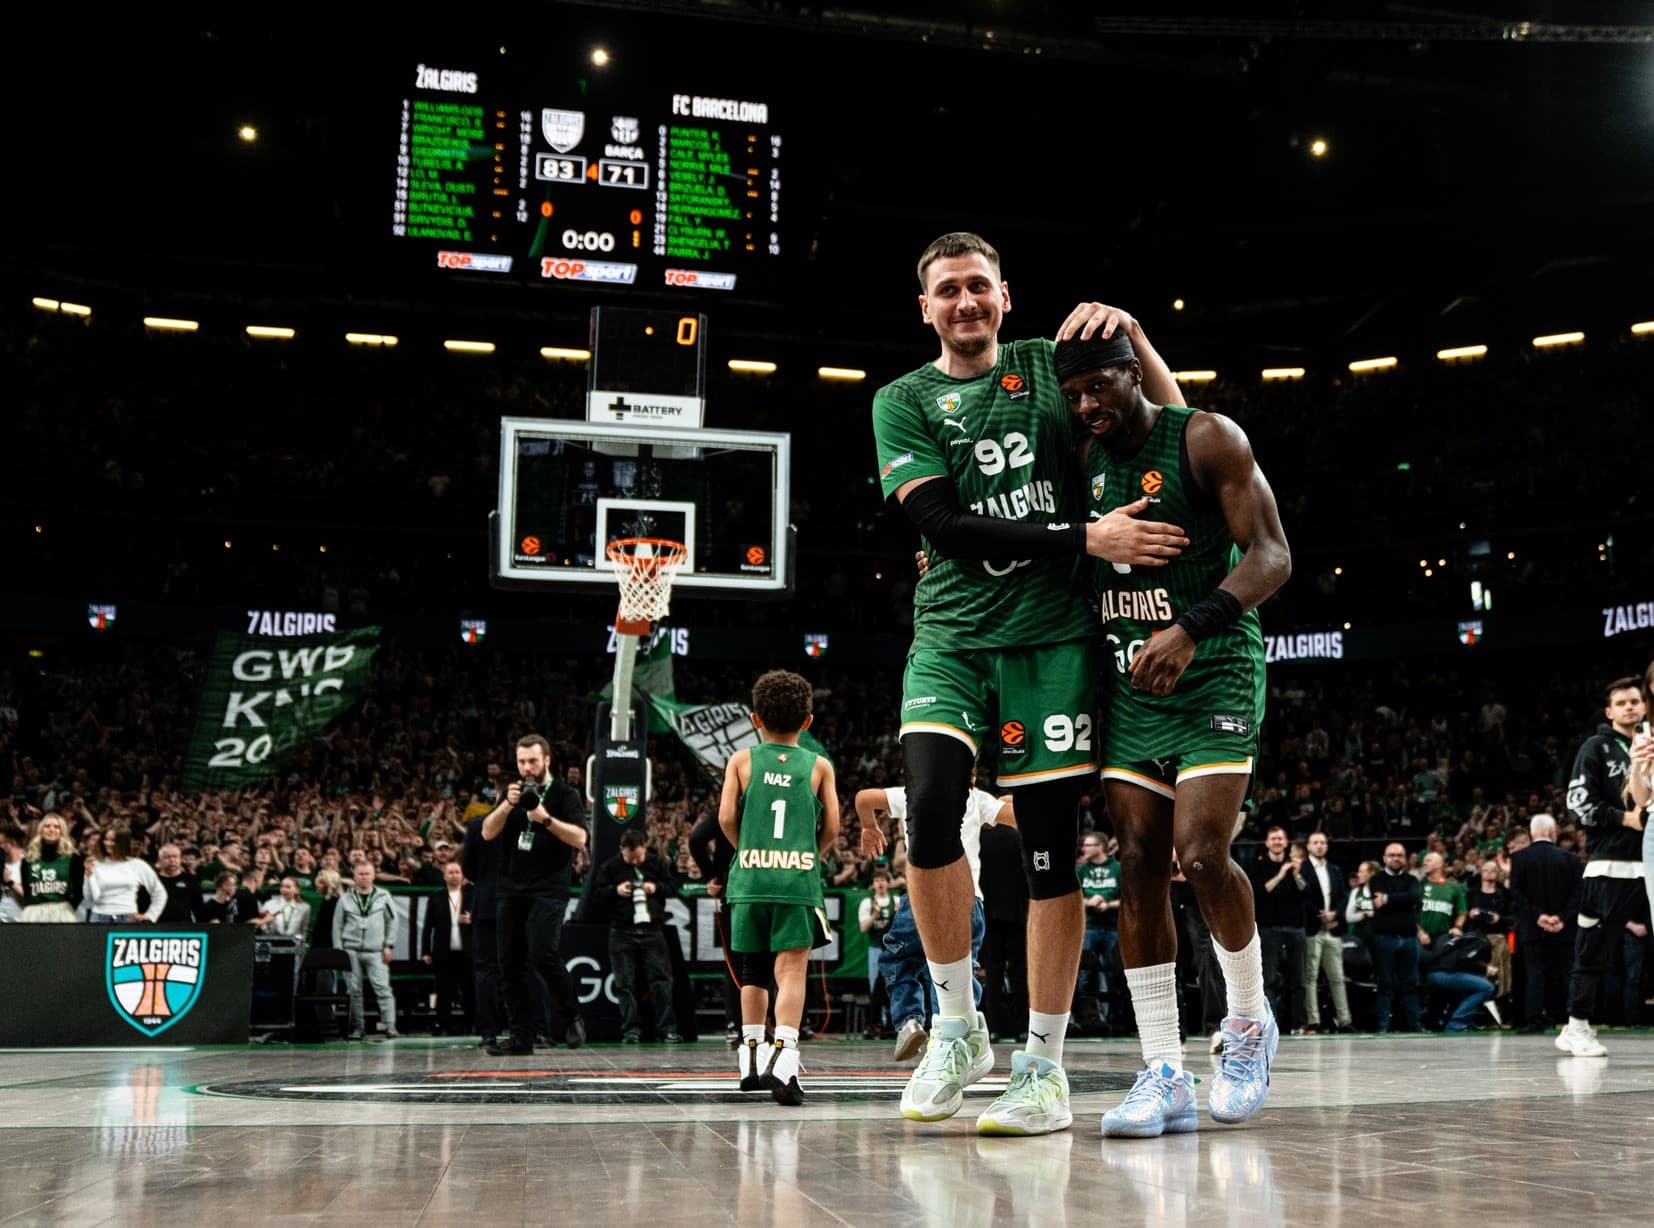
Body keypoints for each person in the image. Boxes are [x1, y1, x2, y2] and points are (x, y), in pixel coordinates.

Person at [870, 231, 1187, 1137]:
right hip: (952, 637)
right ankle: (956, 1028)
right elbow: (943, 523)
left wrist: (1136, 336)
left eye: (978, 286)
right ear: (925, 308)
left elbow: (1173, 429)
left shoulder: (1052, 365)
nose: (964, 301)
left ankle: (1042, 1067)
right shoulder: (902, 399)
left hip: (1053, 643)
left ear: (1005, 296)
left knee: (1048, 854)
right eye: (947, 290)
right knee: (931, 811)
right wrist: (1086, 539)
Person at [1048, 328, 1291, 1137]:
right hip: (1131, 682)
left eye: (1099, 387)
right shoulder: (1082, 457)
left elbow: (1272, 556)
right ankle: (1163, 1070)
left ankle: (1248, 1022)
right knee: (1138, 864)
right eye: (1074, 395)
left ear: (1134, 373)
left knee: (1201, 855)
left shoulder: (1207, 437)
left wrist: (1189, 628)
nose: (1087, 405)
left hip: (1212, 666)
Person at [719, 669, 840, 1105]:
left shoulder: (741, 760)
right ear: (807, 721)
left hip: (750, 877)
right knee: (790, 971)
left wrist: (748, 851)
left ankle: (750, 1055)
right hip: (796, 879)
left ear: (756, 719)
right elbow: (833, 826)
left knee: (752, 970)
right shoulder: (819, 765)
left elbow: (726, 818)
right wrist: (808, 856)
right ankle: (785, 1055)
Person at [856, 782, 1011, 1063]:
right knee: (958, 970)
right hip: (967, 898)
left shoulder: (911, 793)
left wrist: (869, 828)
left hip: (923, 898)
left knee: (898, 959)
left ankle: (908, 1021)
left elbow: (864, 798)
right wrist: (1012, 801)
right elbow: (1017, 817)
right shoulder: (977, 798)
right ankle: (953, 1034)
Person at [482, 734, 590, 1056]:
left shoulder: (565, 794)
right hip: (511, 886)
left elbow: (580, 838)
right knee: (509, 963)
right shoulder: (510, 792)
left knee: (542, 952)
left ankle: (571, 1016)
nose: (527, 767)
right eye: (521, 762)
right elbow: (487, 832)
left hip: (550, 886)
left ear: (547, 760)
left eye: (532, 761)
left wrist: (546, 819)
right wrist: (507, 804)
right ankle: (520, 1038)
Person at [1558, 677, 1648, 1057]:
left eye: (1635, 701)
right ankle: (1576, 1026)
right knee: (1594, 949)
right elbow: (1578, 803)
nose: (1630, 707)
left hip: (1651, 859)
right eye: (1622, 703)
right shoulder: (1596, 747)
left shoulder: (1650, 744)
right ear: (1610, 711)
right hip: (1612, 863)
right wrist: (1624, 818)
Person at [592, 828, 682, 1044]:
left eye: (638, 857)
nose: (634, 862)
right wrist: (615, 890)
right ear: (621, 850)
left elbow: (673, 887)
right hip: (621, 930)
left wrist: (655, 887)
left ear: (645, 847)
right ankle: (630, 1029)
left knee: (661, 981)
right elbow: (596, 895)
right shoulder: (610, 867)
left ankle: (667, 1029)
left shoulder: (658, 863)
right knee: (625, 983)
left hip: (652, 929)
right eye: (630, 858)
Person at [1416, 852, 1493, 1031]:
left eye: (1428, 861)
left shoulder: (1453, 887)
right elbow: (1410, 912)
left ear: (1439, 864)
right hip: (1421, 939)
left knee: (1443, 980)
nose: (1424, 863)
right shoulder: (1419, 886)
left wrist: (1457, 927)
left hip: (1443, 940)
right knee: (1424, 980)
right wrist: (1419, 932)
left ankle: (1439, 1019)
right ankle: (1422, 1020)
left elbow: (1462, 911)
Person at [1246, 826, 1306, 1036]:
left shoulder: (1296, 867)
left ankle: (1298, 1024)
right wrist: (1281, 875)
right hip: (1269, 929)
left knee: (1298, 980)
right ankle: (1271, 1023)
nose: (1278, 842)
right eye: (1274, 839)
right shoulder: (1257, 867)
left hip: (1295, 928)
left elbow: (1306, 892)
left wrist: (1296, 875)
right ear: (1267, 843)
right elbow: (1259, 892)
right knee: (1269, 979)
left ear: (1286, 842)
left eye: (1281, 839)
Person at [331, 860, 400, 1040]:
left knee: (383, 988)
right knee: (353, 990)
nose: (364, 877)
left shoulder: (384, 896)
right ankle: (358, 1027)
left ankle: (390, 1026)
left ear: (373, 875)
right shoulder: (345, 899)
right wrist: (339, 950)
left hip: (376, 950)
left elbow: (393, 922)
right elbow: (337, 926)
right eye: (360, 874)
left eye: (367, 874)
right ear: (354, 876)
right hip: (351, 950)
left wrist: (388, 945)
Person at [976, 820, 1029, 1045]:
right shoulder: (1019, 837)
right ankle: (1023, 1028)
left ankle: (994, 1028)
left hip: (988, 912)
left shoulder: (980, 838)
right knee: (1019, 974)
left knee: (993, 974)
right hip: (1017, 912)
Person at [462, 801, 509, 1047]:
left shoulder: (476, 825)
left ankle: (489, 1032)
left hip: (487, 903)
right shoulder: (524, 825)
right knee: (522, 967)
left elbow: (468, 870)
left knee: (485, 970)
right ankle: (529, 1029)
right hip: (516, 901)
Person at [1299, 831, 1352, 1033]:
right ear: (1308, 846)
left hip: (1332, 928)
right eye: (1315, 842)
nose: (1320, 845)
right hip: (1313, 927)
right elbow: (1303, 897)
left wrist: (1335, 914)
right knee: (1310, 976)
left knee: (1337, 977)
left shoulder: (1334, 869)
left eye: (1322, 842)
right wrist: (1320, 915)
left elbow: (1343, 896)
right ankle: (1314, 1020)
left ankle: (1345, 1020)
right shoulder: (1302, 868)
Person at [1369, 844, 1423, 1033]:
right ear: (1384, 858)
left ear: (1405, 858)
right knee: (1385, 983)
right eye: (1391, 855)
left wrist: (1388, 899)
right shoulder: (1376, 879)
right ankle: (1382, 1025)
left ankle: (1415, 1025)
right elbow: (1407, 899)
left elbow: (1414, 897)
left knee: (1411, 983)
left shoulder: (1412, 879)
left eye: (1400, 855)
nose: (1396, 858)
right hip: (1385, 938)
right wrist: (1402, 899)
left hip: (1409, 938)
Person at [1075, 833, 1122, 1035]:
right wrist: (1089, 902)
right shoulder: (1081, 871)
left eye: (1089, 845)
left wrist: (1108, 905)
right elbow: (1073, 899)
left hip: (1112, 927)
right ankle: (1088, 1017)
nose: (1084, 848)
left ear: (1101, 847)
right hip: (1089, 926)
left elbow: (1128, 899)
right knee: (1085, 974)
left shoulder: (1117, 869)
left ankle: (1114, 1018)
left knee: (1114, 973)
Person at [420, 860, 473, 1035]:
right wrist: (425, 951)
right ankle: (444, 1024)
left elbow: (481, 921)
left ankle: (471, 1024)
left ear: (462, 875)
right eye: (450, 872)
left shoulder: (471, 896)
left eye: (457, 872)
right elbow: (428, 926)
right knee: (443, 990)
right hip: (443, 952)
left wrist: (471, 920)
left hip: (467, 951)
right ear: (444, 876)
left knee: (469, 989)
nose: (454, 875)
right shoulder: (436, 897)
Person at [84, 828, 166, 924]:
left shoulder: (137, 865)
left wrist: (150, 916)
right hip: (99, 917)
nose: (108, 843)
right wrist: (89, 876)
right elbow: (90, 898)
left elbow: (159, 892)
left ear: (123, 842)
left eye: (113, 840)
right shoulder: (95, 863)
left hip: (128, 918)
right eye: (106, 839)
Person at [858, 868, 900, 1038]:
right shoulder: (867, 903)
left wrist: (897, 913)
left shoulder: (896, 900)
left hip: (893, 951)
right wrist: (875, 914)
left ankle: (892, 1022)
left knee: (893, 985)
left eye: (883, 880)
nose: (880, 883)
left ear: (888, 883)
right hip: (876, 948)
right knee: (875, 987)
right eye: (877, 881)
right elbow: (863, 927)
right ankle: (878, 1023)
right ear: (873, 885)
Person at [18, 814, 82, 922]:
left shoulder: (72, 858)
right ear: (41, 830)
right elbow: (26, 889)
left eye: (56, 827)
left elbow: (78, 891)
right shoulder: (28, 860)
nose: (51, 830)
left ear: (62, 831)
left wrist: (69, 907)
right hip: (34, 912)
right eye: (47, 826)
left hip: (62, 911)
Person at [153, 843, 203, 923]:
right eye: (167, 857)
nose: (172, 860)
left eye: (175, 856)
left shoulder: (191, 880)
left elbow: (199, 908)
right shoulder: (152, 881)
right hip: (157, 927)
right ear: (159, 860)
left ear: (180, 859)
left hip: (184, 927)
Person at [254, 876, 313, 941]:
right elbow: (261, 923)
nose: (284, 889)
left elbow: (304, 929)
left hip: (294, 943)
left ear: (297, 890)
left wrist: (301, 943)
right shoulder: (269, 904)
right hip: (272, 940)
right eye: (282, 886)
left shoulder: (305, 908)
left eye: (288, 887)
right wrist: (267, 933)